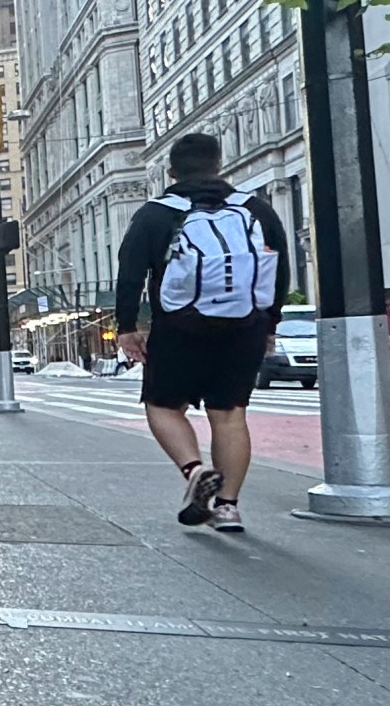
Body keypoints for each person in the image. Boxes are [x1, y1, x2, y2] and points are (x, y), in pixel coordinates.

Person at [113, 132, 291, 534]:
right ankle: (228, 507)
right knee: (229, 415)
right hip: (244, 326)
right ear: (218, 165)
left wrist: (127, 327)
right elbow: (279, 269)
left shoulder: (156, 214)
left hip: (180, 327)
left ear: (172, 172)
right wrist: (270, 323)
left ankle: (194, 471)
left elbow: (130, 274)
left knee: (162, 405)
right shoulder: (255, 209)